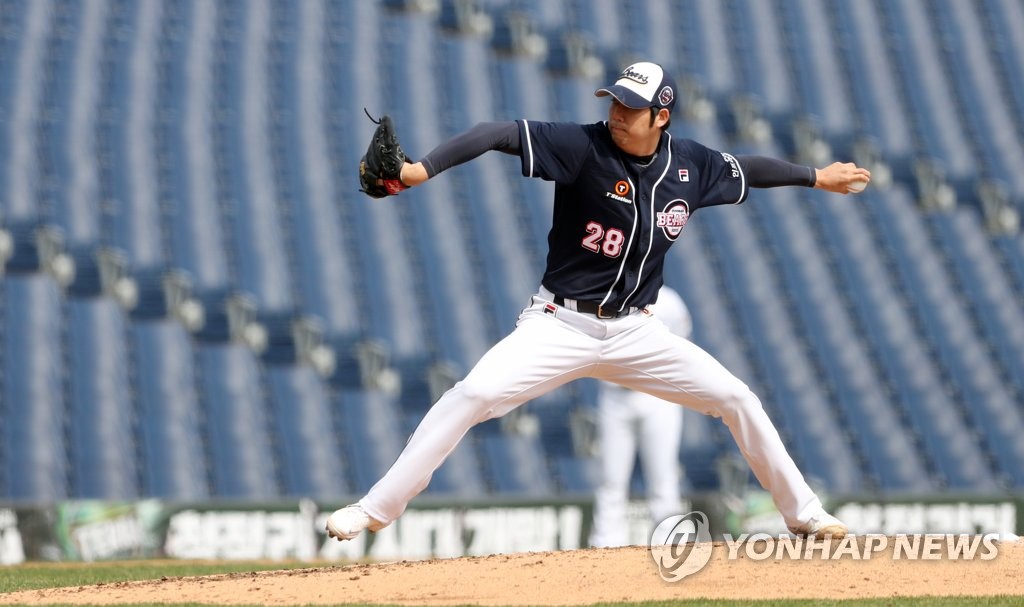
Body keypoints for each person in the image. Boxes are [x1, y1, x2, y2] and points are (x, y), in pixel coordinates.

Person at [328, 61, 870, 542]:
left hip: (637, 332)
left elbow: (747, 169)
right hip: (558, 323)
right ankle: (374, 509)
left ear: (662, 116)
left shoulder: (691, 166)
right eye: (614, 100)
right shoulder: (581, 146)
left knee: (737, 398)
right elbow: (497, 132)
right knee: (472, 394)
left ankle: (805, 516)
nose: (617, 112)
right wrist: (419, 169)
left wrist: (816, 176)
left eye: (631, 106)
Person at [589, 285, 692, 548]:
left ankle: (669, 543)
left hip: (657, 394)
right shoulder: (605, 294)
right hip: (615, 396)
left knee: (663, 474)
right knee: (611, 478)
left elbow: (682, 341)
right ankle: (605, 544)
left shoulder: (668, 300)